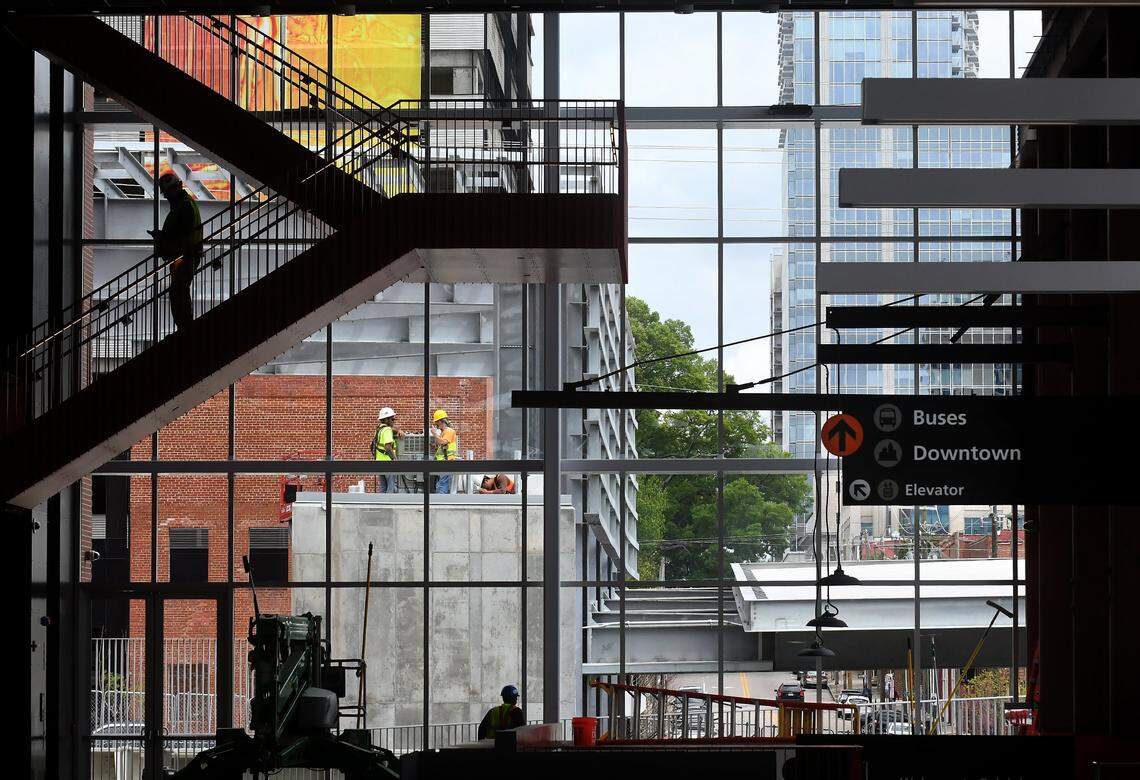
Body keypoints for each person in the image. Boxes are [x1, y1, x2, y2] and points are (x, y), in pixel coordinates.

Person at [149, 171, 203, 331]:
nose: (167, 196)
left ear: (177, 187)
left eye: (168, 192)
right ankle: (184, 326)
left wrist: (164, 240)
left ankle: (185, 327)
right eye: (166, 193)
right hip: (184, 255)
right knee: (178, 291)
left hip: (185, 255)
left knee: (179, 291)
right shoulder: (183, 205)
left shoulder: (184, 206)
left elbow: (182, 233)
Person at [371, 407, 401, 493]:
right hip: (388, 463)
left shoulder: (379, 429)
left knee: (383, 488)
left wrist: (397, 431)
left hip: (379, 463)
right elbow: (388, 447)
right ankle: (389, 505)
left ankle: (381, 505)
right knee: (391, 488)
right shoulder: (387, 430)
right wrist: (394, 458)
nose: (393, 421)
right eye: (392, 419)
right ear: (387, 420)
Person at [430, 409, 458, 494]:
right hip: (442, 462)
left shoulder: (449, 431)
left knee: (441, 485)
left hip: (447, 462)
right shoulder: (443, 432)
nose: (435, 424)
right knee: (440, 483)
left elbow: (442, 442)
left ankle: (440, 503)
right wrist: (434, 446)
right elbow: (443, 447)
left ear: (440, 421)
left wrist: (434, 433)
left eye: (436, 422)